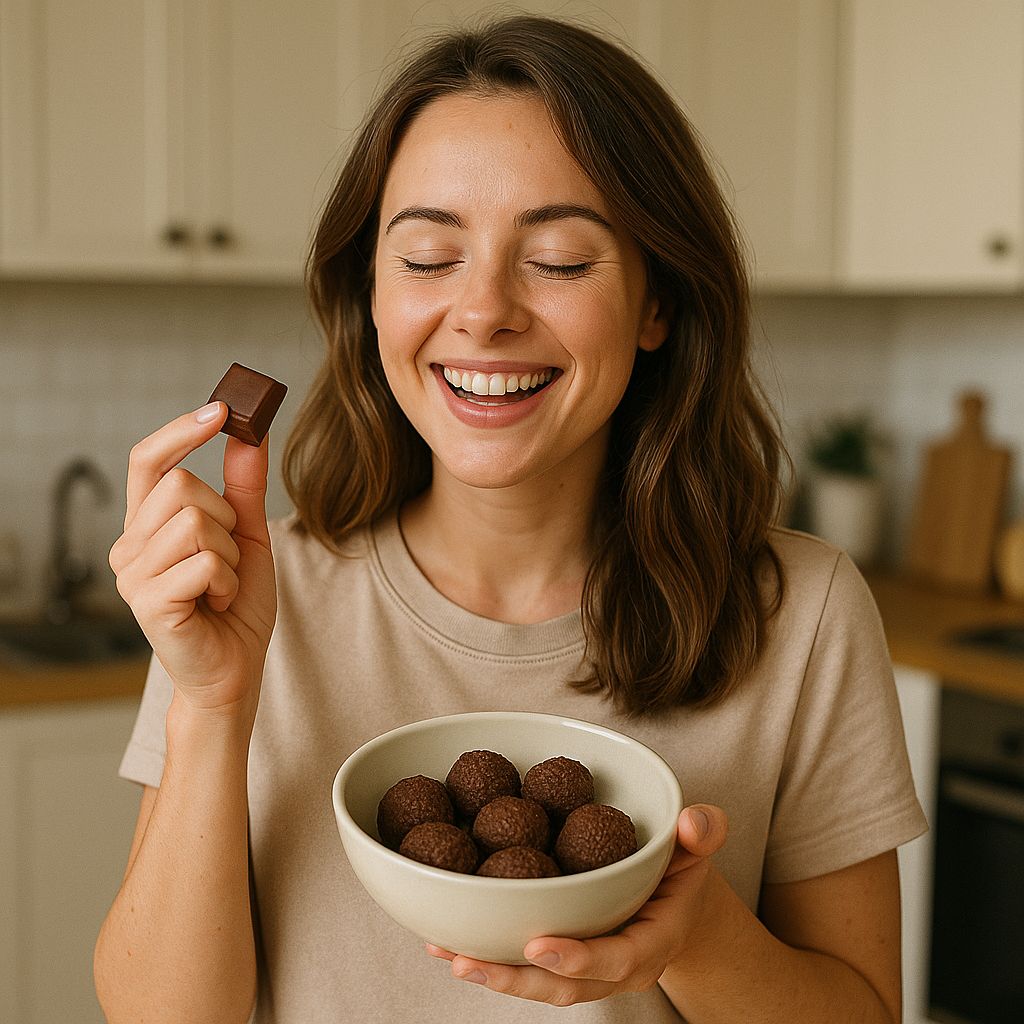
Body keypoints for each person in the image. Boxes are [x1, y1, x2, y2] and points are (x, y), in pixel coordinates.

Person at [94, 15, 926, 1024]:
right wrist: (213, 703)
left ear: (656, 302)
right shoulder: (256, 596)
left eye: (562, 260)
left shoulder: (801, 614)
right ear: (370, 295)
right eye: (430, 255)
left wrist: (690, 933)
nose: (483, 310)